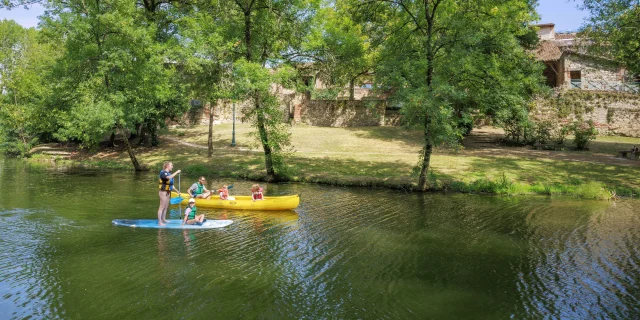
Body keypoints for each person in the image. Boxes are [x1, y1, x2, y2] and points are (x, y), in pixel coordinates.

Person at [158, 161, 181, 226]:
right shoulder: (163, 173)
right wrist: (177, 172)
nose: (172, 166)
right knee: (161, 207)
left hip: (168, 191)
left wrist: (177, 191)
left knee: (166, 206)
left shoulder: (169, 173)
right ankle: (160, 222)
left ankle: (163, 219)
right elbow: (168, 178)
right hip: (163, 191)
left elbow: (171, 185)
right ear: (167, 166)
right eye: (171, 165)